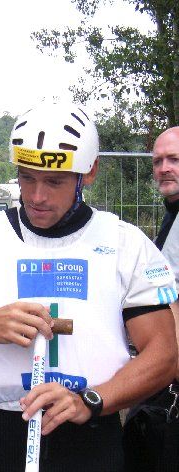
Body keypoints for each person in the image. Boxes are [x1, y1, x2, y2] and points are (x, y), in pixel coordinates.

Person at [0, 101, 178, 472]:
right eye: (26, 177)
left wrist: (92, 400)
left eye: (54, 181)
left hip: (93, 432)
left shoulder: (125, 243)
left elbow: (164, 354)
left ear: (89, 171)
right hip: (6, 431)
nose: (37, 196)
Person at [122, 126, 179, 471]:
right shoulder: (172, 214)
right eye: (158, 161)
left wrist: (160, 366)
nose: (163, 168)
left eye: (174, 159)